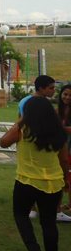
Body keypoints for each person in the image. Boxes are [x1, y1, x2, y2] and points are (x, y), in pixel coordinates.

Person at [0, 97, 70, 251]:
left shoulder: (23, 130)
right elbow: (64, 160)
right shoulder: (59, 132)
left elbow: (3, 142)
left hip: (27, 181)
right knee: (49, 222)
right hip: (53, 183)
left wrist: (20, 121)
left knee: (20, 214)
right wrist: (65, 179)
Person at [58, 84, 71, 213]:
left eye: (70, 95)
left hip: (69, 149)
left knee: (68, 178)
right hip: (59, 148)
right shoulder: (57, 110)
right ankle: (59, 206)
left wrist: (62, 129)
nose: (67, 97)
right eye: (65, 94)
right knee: (61, 177)